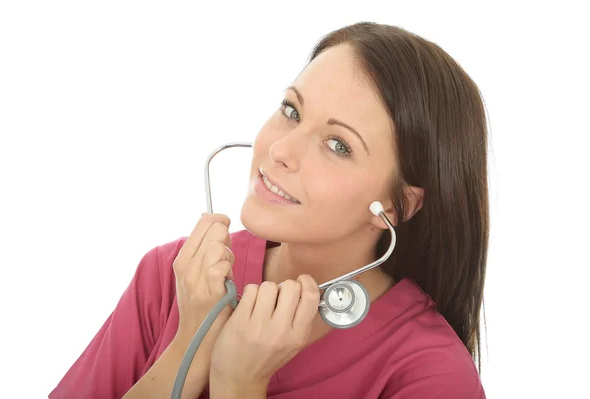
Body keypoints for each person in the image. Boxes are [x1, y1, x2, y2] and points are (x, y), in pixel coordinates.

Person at [50, 22, 488, 399]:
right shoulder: (173, 277)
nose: (280, 149)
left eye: (338, 145)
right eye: (292, 111)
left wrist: (238, 384)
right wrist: (190, 340)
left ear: (395, 205)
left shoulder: (430, 373)